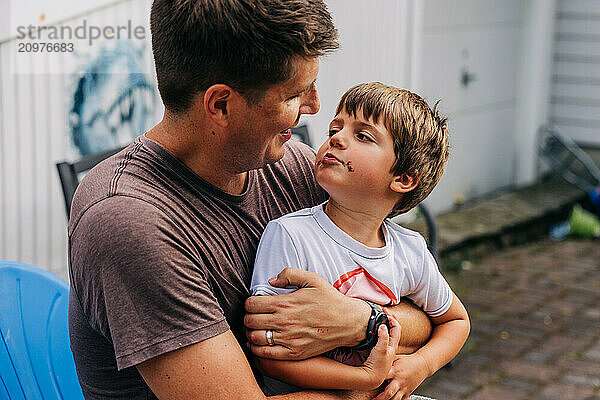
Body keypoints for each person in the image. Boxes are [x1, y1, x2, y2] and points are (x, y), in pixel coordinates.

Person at [68, 1, 433, 399]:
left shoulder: (291, 166)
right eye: (295, 93)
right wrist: (370, 382)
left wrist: (363, 321)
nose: (313, 106)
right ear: (221, 105)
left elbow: (428, 315)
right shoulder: (130, 222)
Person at [250, 83, 470, 398]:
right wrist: (363, 378)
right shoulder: (290, 236)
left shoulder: (410, 251)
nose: (335, 139)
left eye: (362, 135)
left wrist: (420, 365)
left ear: (403, 178)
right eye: (334, 129)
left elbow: (456, 321)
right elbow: (267, 354)